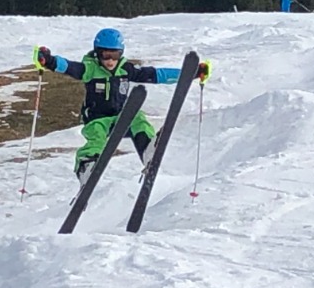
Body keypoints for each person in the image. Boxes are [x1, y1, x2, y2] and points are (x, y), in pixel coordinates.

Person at [36, 29, 209, 180]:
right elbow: (68, 66)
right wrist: (49, 61)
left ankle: (147, 148)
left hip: (121, 119)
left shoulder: (126, 70)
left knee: (138, 118)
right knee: (97, 137)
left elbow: (157, 74)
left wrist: (189, 74)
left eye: (115, 55)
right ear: (97, 54)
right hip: (97, 120)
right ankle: (86, 166)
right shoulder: (89, 70)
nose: (110, 61)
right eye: (106, 56)